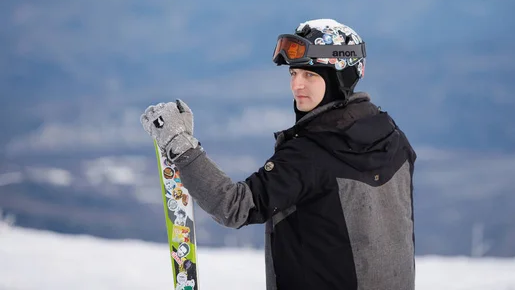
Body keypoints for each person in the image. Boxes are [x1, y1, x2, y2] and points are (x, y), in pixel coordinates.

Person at [140, 18, 417, 290]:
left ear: (338, 78)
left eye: (310, 75)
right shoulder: (394, 140)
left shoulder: (309, 154)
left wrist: (180, 146)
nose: (297, 85)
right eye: (293, 73)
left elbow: (234, 206)